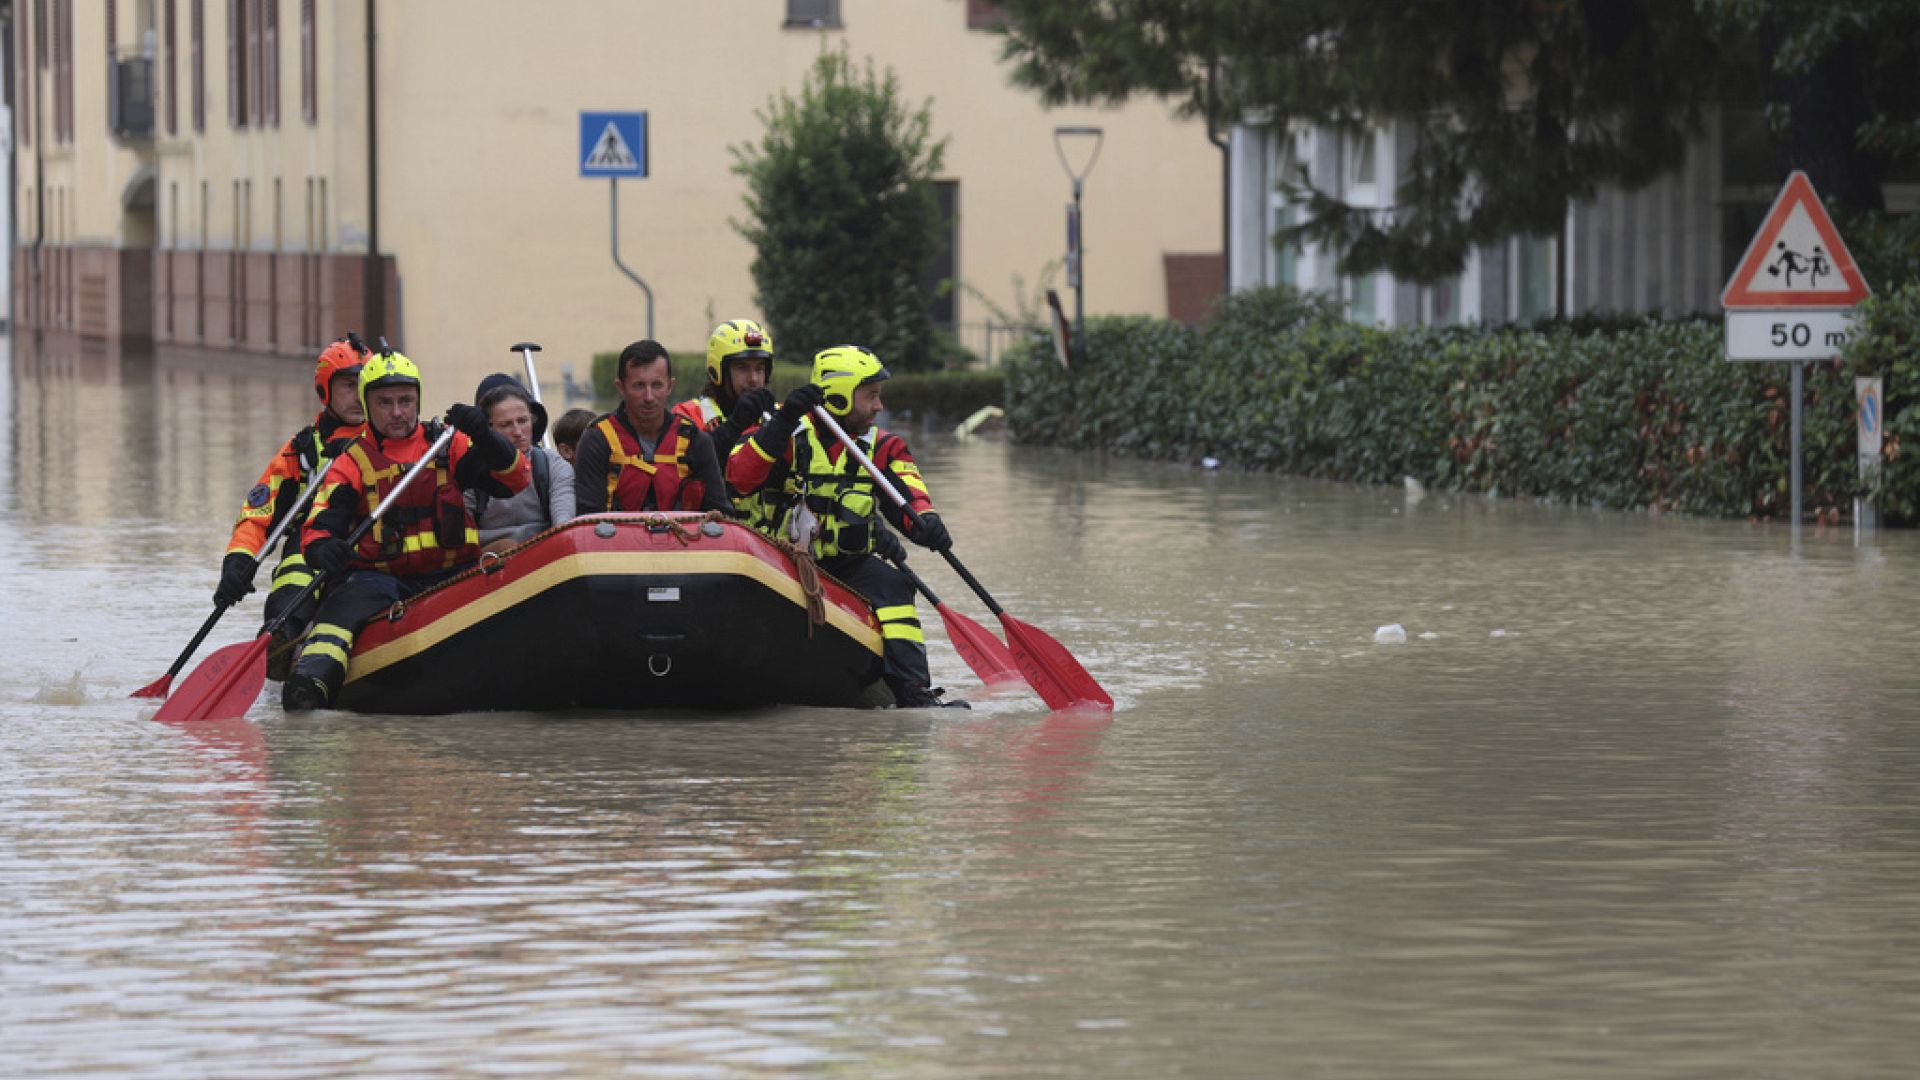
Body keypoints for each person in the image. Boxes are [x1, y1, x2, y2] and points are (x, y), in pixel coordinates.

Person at [282, 350, 531, 711]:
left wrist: (485, 435)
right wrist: (323, 550)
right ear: (367, 404)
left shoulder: (448, 445)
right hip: (379, 579)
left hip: (451, 573)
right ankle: (311, 682)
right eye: (385, 403)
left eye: (405, 401)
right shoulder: (351, 462)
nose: (397, 412)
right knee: (340, 611)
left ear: (418, 399)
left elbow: (515, 480)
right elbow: (318, 528)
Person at [728, 345, 966, 709]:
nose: (879, 407)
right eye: (870, 396)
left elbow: (911, 498)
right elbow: (739, 478)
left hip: (845, 563)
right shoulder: (780, 431)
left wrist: (927, 524)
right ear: (839, 398)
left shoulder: (884, 448)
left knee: (894, 586)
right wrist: (783, 422)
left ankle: (913, 691)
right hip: (780, 561)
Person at [214, 336, 370, 679]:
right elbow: (259, 512)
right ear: (325, 391)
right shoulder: (302, 450)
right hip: (314, 543)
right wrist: (237, 562)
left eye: (364, 385)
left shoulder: (389, 437)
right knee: (298, 559)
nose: (359, 395)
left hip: (372, 542)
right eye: (348, 386)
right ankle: (280, 636)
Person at [572, 340, 731, 515]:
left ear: (670, 386)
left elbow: (721, 516)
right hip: (615, 541)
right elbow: (587, 520)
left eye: (657, 385)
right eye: (639, 386)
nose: (649, 397)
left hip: (684, 541)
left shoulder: (696, 440)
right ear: (621, 387)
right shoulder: (597, 439)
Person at [468, 373, 576, 553]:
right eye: (506, 425)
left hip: (543, 559)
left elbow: (563, 528)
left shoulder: (554, 466)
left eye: (523, 421)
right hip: (485, 565)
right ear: (487, 429)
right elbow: (461, 540)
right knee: (506, 547)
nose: (518, 432)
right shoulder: (469, 471)